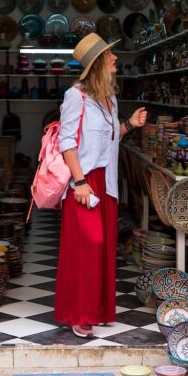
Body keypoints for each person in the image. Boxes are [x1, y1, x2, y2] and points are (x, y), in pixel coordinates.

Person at [55, 33, 147, 339]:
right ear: (97, 64)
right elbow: (67, 143)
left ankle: (98, 312)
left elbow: (109, 137)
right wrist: (79, 182)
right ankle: (78, 313)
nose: (115, 58)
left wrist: (129, 125)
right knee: (87, 245)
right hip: (85, 181)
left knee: (104, 247)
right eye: (110, 55)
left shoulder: (110, 99)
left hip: (106, 182)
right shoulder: (76, 97)